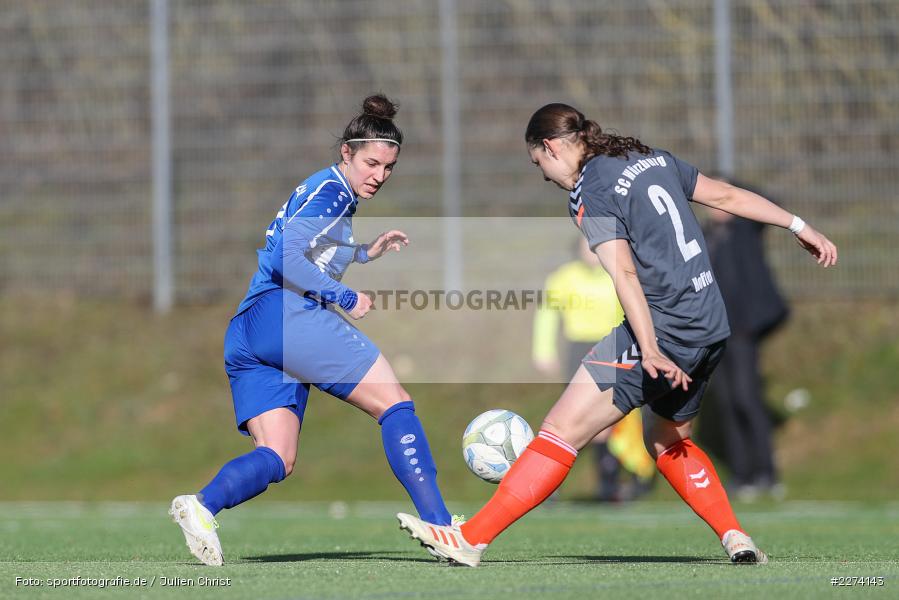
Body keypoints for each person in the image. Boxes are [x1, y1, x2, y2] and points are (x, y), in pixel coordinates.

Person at [397, 102, 837, 566]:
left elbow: (623, 272)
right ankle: (735, 536)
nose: (545, 176)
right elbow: (727, 197)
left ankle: (471, 538)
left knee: (560, 431)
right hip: (710, 324)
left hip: (663, 326)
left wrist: (647, 347)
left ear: (551, 147)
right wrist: (799, 226)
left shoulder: (590, 190)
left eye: (539, 164)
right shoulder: (652, 159)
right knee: (668, 440)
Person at [170, 94, 455, 566]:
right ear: (346, 152)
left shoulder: (323, 190)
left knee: (278, 455)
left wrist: (364, 253)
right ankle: (443, 527)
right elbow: (287, 258)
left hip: (250, 327)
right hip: (288, 316)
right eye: (370, 163)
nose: (379, 176)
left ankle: (200, 506)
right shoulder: (333, 191)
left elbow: (306, 247)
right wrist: (345, 297)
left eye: (388, 168)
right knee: (395, 402)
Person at [532, 237, 654, 501]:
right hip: (578, 349)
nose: (591, 251)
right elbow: (547, 314)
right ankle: (547, 483)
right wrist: (543, 352)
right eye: (586, 246)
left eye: (595, 245)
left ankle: (609, 484)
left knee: (605, 421)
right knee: (571, 419)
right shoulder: (564, 278)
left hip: (611, 347)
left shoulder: (617, 274)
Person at [703, 200, 790, 500]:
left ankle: (766, 472)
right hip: (716, 332)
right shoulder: (706, 235)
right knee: (727, 402)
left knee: (746, 397)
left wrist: (731, 194)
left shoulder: (744, 230)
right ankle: (742, 475)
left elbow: (767, 202)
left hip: (742, 331)